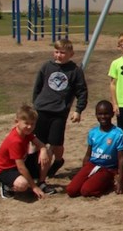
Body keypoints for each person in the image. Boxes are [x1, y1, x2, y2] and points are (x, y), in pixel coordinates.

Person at [32, 37, 88, 183]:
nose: (59, 55)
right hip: (42, 109)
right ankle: (35, 168)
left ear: (71, 54)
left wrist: (78, 110)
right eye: (56, 52)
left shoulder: (75, 70)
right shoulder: (46, 67)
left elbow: (81, 91)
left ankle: (58, 160)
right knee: (37, 141)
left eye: (62, 52)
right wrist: (35, 104)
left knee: (55, 143)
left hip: (59, 112)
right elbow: (38, 87)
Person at [66, 100, 123, 198]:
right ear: (96, 115)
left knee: (86, 191)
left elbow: (121, 159)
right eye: (100, 114)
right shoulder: (93, 132)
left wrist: (120, 181)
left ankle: (108, 181)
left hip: (108, 168)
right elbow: (88, 154)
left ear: (112, 114)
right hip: (93, 164)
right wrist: (84, 171)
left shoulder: (118, 133)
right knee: (71, 190)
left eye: (106, 114)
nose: (103, 117)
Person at [0, 105, 52, 200]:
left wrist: (43, 150)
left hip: (22, 163)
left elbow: (41, 145)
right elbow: (21, 167)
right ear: (17, 122)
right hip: (6, 170)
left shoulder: (26, 133)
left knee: (48, 151)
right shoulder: (15, 140)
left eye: (32, 124)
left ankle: (41, 182)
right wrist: (34, 187)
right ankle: (6, 186)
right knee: (23, 185)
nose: (29, 127)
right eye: (26, 123)